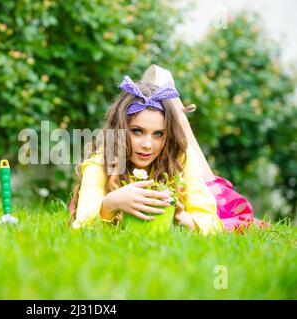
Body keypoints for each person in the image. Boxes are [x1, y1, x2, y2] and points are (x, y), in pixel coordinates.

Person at [68, 65, 266, 234]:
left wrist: (183, 219)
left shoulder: (180, 157)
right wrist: (110, 204)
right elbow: (82, 227)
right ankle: (168, 103)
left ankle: (176, 108)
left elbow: (210, 220)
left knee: (235, 216)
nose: (147, 144)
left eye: (158, 134)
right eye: (137, 131)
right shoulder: (100, 161)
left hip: (215, 196)